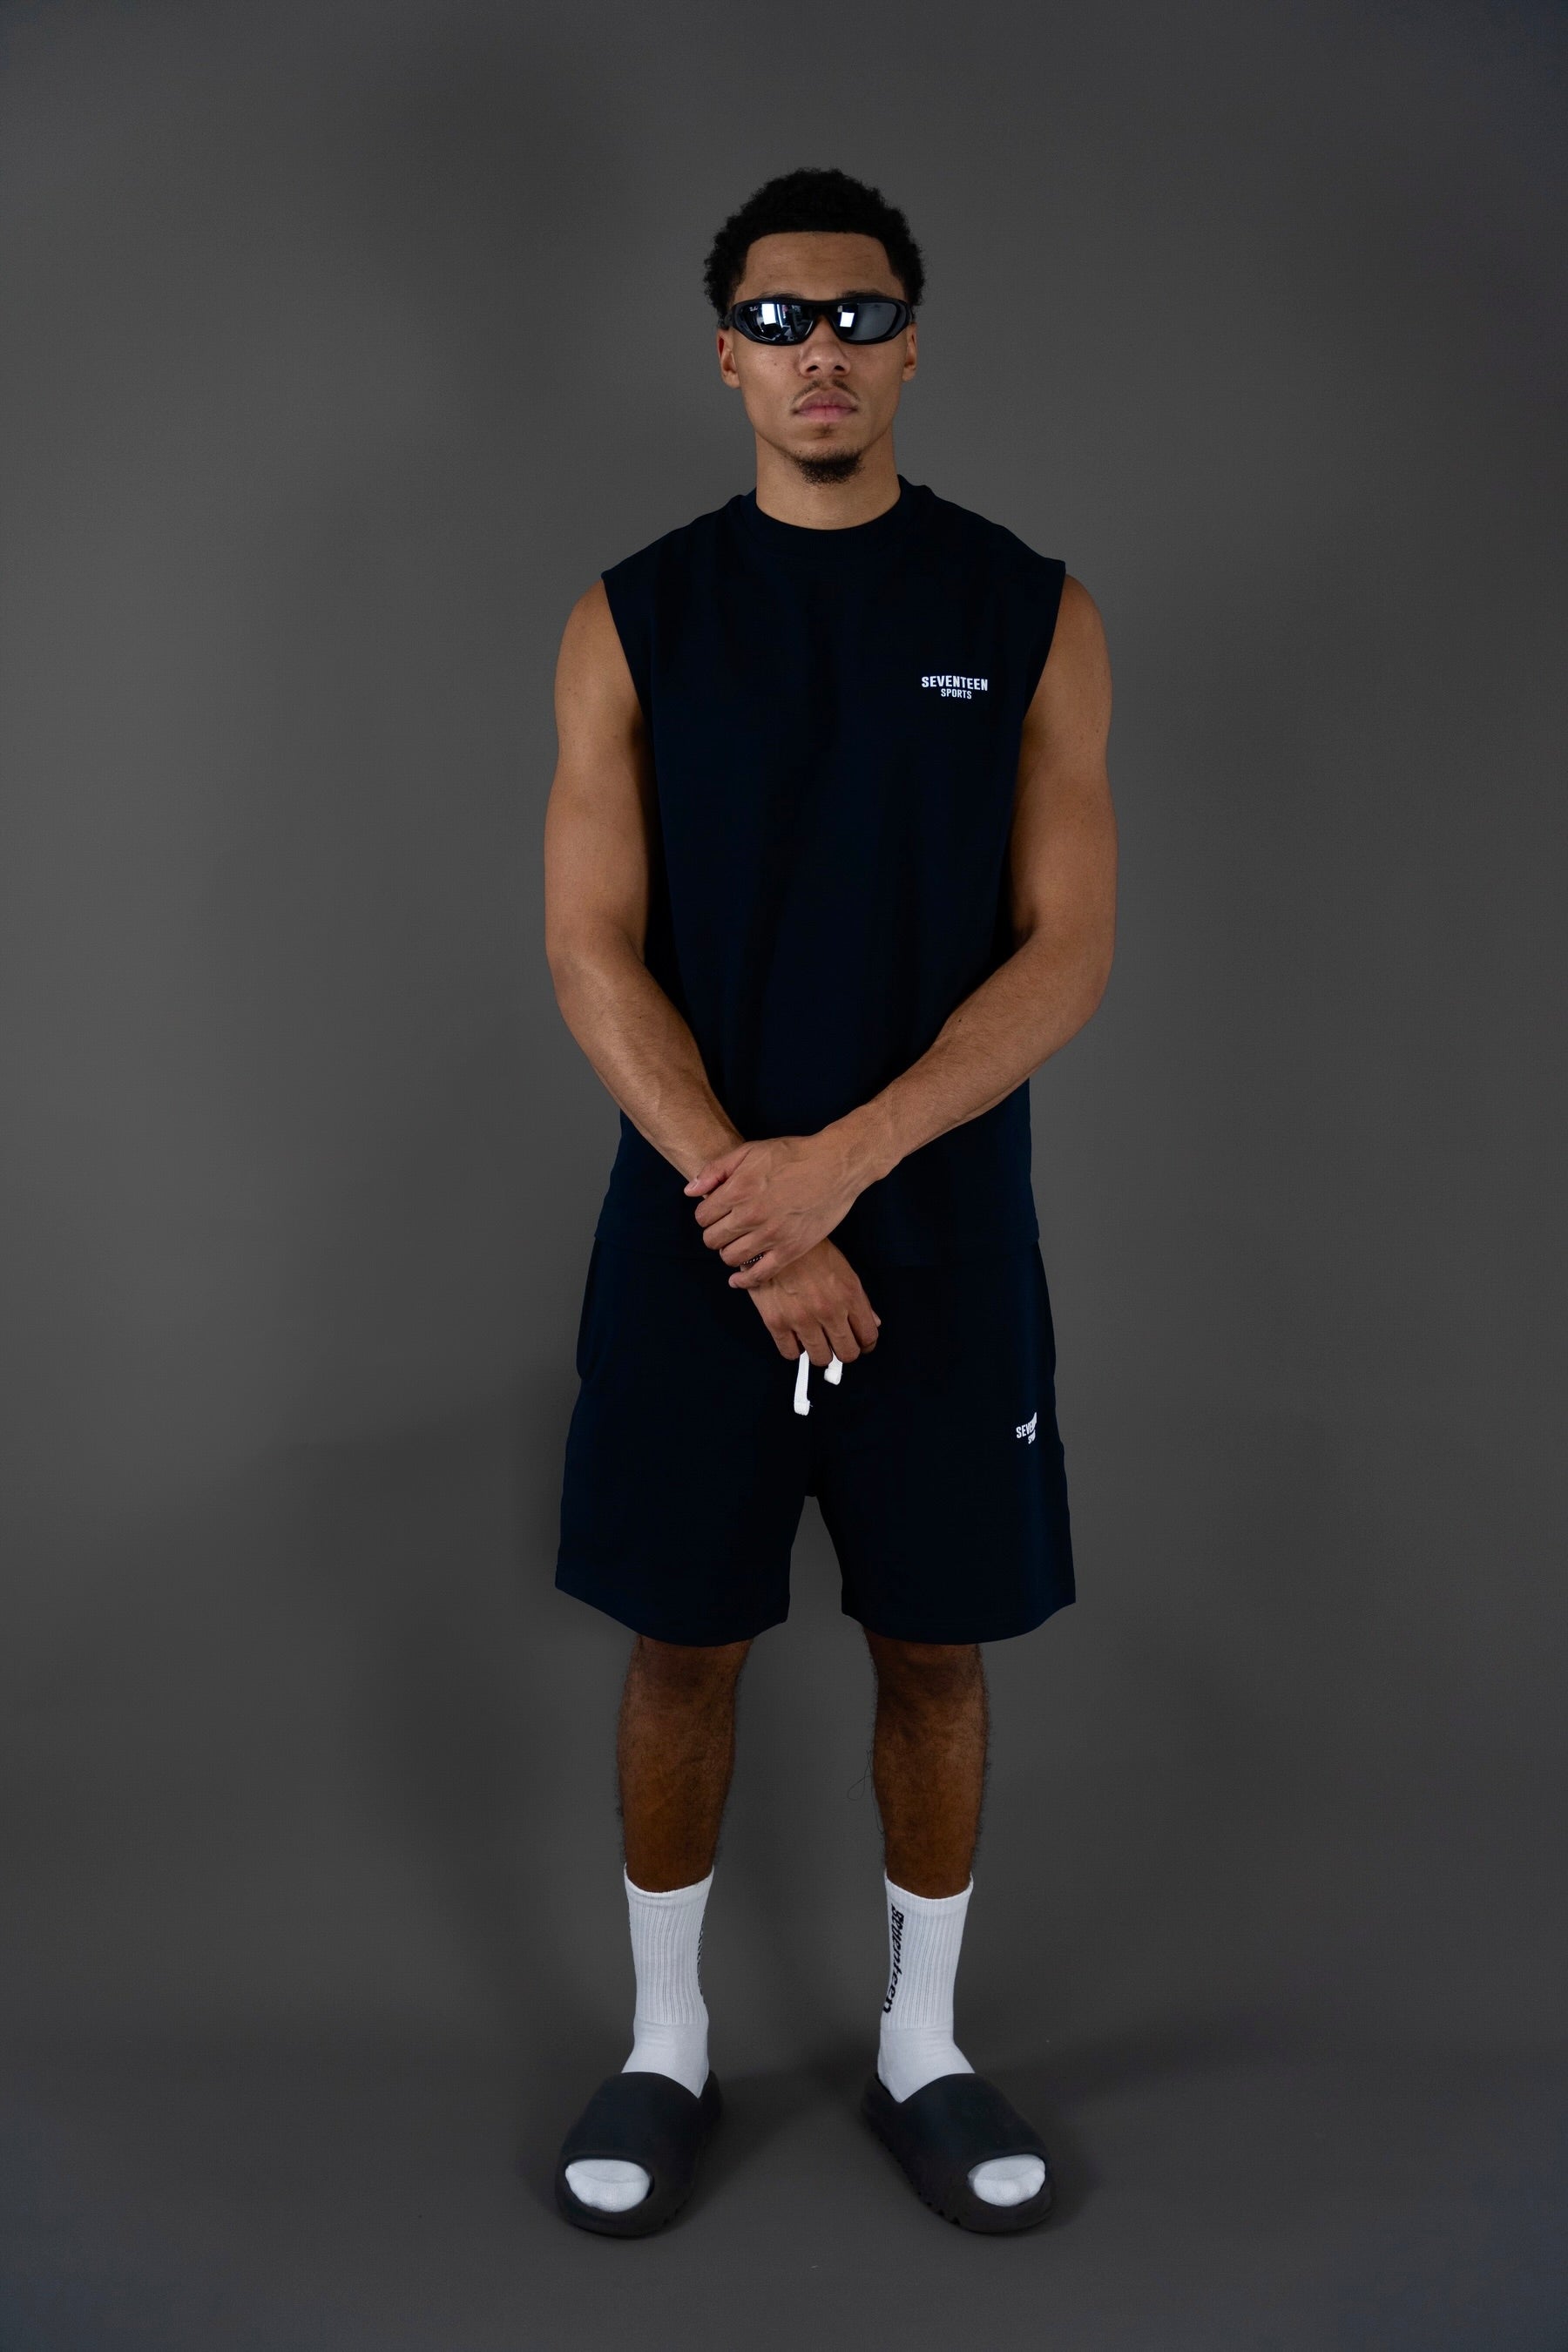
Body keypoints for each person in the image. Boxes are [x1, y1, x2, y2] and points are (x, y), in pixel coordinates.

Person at [543, 166, 1116, 2236]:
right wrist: (755, 1210)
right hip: (700, 1238)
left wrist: (846, 1169)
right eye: (781, 320)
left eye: (861, 317)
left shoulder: (1027, 610)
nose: (823, 352)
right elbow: (590, 947)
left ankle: (921, 2051)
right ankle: (666, 2047)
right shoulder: (634, 616)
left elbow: (1069, 947)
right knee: (682, 1647)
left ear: (910, 347)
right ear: (727, 355)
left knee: (934, 1648)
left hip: (938, 1243)